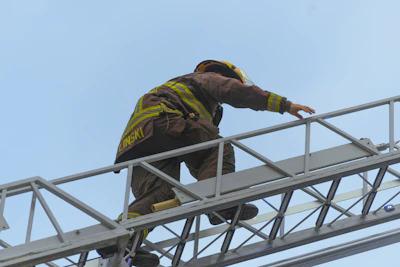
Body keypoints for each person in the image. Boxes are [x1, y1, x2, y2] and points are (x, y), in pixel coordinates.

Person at [102, 60, 315, 267]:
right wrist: (284, 105)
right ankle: (220, 204)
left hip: (139, 142)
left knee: (158, 196)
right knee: (218, 149)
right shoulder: (205, 79)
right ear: (223, 74)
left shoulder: (171, 89)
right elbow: (234, 91)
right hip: (167, 122)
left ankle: (122, 240)